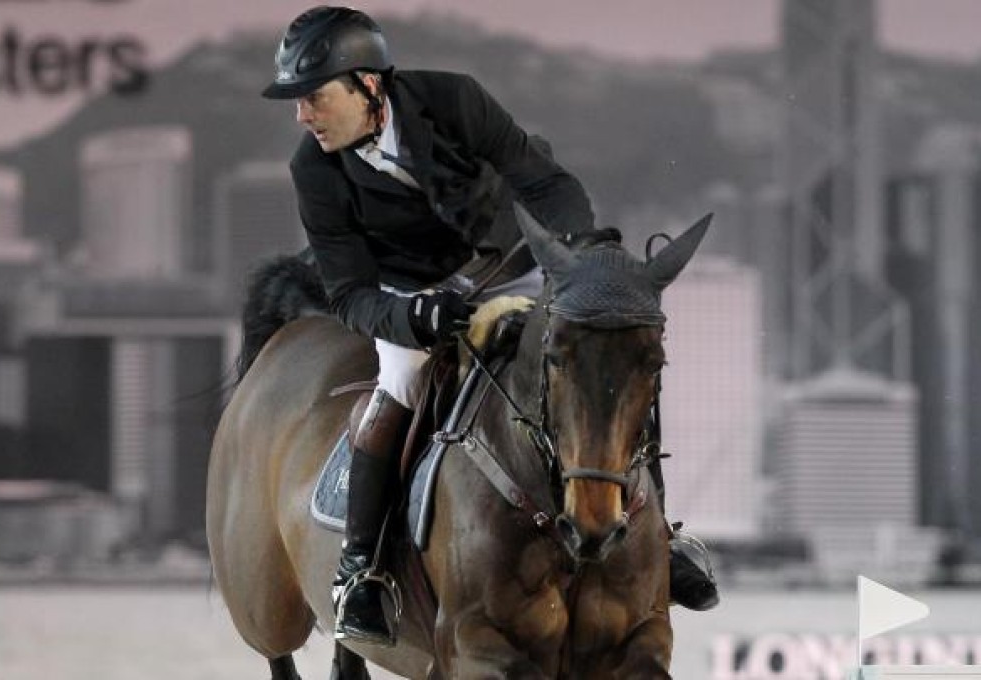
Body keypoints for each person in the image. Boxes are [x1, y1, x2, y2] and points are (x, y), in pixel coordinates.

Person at [261, 5, 718, 646]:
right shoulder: (313, 170)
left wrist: (580, 248)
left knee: (598, 360)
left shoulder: (454, 102)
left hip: (513, 269)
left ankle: (659, 536)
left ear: (368, 84)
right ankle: (360, 571)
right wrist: (412, 316)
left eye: (312, 97)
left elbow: (543, 181)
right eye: (296, 102)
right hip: (407, 295)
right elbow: (347, 292)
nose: (301, 116)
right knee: (400, 388)